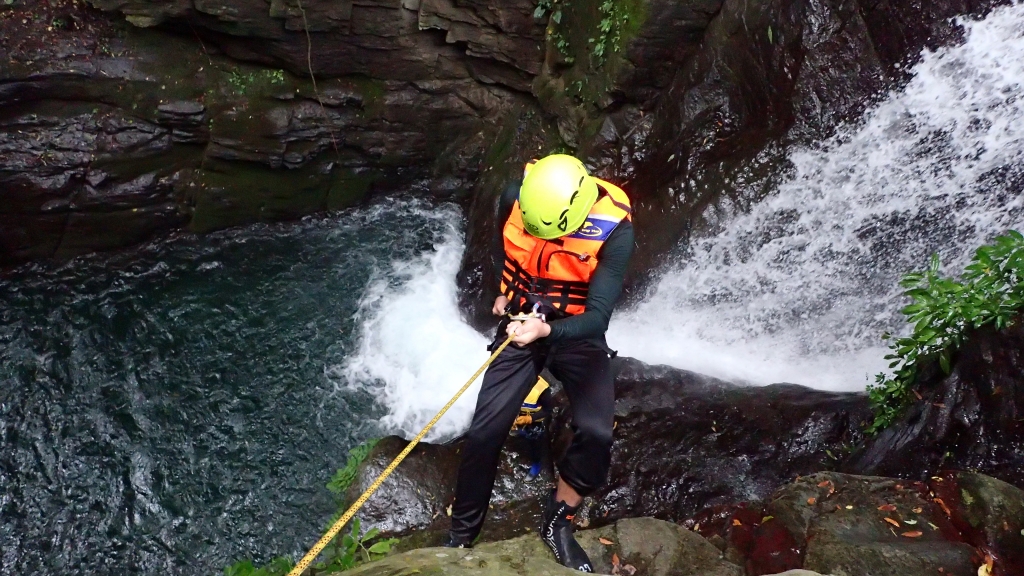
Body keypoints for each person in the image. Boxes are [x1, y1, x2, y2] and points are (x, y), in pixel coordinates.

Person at [444, 154, 634, 573]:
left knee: (596, 432)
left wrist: (547, 332)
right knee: (485, 431)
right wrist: (503, 290)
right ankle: (460, 537)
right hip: (521, 317)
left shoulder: (615, 231)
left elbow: (598, 316)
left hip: (576, 329)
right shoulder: (516, 195)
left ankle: (559, 520)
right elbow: (501, 243)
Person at [510, 376, 554, 478]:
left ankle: (536, 464)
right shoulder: (508, 383)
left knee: (534, 440)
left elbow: (548, 410)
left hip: (534, 420)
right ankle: (519, 431)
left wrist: (529, 418)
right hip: (515, 417)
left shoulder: (541, 389)